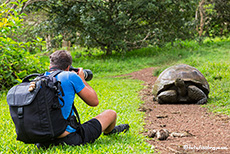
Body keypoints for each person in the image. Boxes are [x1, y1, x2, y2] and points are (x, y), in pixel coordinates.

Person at [36, 50, 129, 148]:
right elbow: (94, 101)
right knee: (111, 113)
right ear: (68, 67)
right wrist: (82, 80)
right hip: (68, 139)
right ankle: (110, 131)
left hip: (42, 140)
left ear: (50, 66)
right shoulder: (69, 76)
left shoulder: (39, 79)